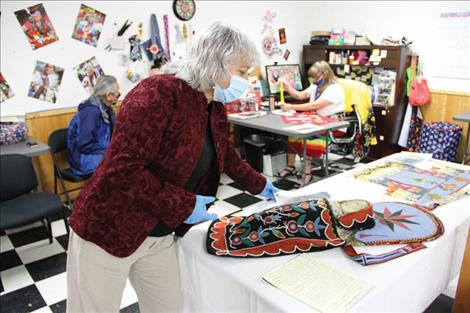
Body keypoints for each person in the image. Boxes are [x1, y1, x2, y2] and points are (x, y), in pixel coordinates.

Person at [66, 22, 279, 313]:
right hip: (108, 229)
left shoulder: (213, 105)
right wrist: (184, 204)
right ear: (217, 61)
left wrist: (261, 185)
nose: (246, 81)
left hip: (159, 233)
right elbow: (123, 169)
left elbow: (225, 154)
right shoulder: (157, 93)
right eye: (242, 72)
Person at [278, 60, 346, 186]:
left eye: (316, 77)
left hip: (334, 124)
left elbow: (315, 105)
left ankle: (307, 173)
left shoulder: (334, 88)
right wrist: (288, 87)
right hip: (318, 121)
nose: (314, 80)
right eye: (312, 78)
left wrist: (290, 107)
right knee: (293, 132)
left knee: (308, 136)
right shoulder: (316, 86)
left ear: (325, 74)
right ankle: (290, 166)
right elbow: (300, 95)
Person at [67, 75, 119, 176]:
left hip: (98, 151)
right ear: (108, 96)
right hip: (83, 157)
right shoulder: (90, 112)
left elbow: (113, 134)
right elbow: (85, 145)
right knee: (115, 166)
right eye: (117, 95)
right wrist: (109, 151)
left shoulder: (107, 109)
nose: (118, 98)